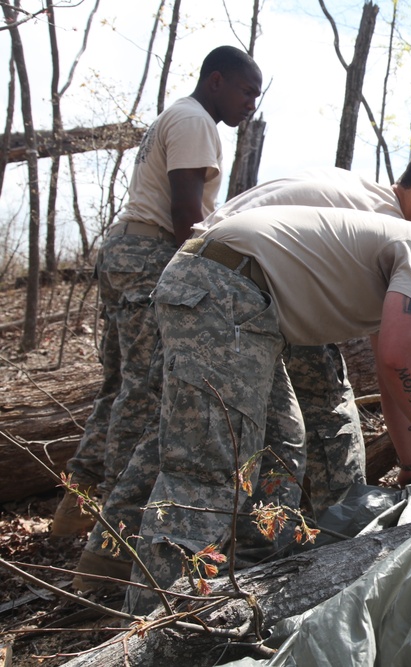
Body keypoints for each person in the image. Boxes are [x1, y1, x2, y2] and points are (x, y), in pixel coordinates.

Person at [121, 201, 411, 614]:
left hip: (247, 304)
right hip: (224, 288)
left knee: (281, 448)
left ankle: (242, 590)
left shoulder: (409, 255)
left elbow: (394, 374)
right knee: (210, 472)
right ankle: (152, 625)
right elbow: (402, 355)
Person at [194, 152, 411, 510]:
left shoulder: (373, 205)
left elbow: (394, 357)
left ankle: (271, 537)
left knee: (278, 433)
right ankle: (333, 522)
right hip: (231, 284)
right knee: (315, 427)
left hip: (223, 273)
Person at [50, 46, 263, 537]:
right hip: (147, 256)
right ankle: (115, 516)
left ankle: (75, 507)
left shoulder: (181, 116)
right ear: (216, 81)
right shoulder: (194, 122)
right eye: (246, 91)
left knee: (120, 383)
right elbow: (186, 210)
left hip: (125, 252)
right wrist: (198, 272)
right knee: (145, 386)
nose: (251, 103)